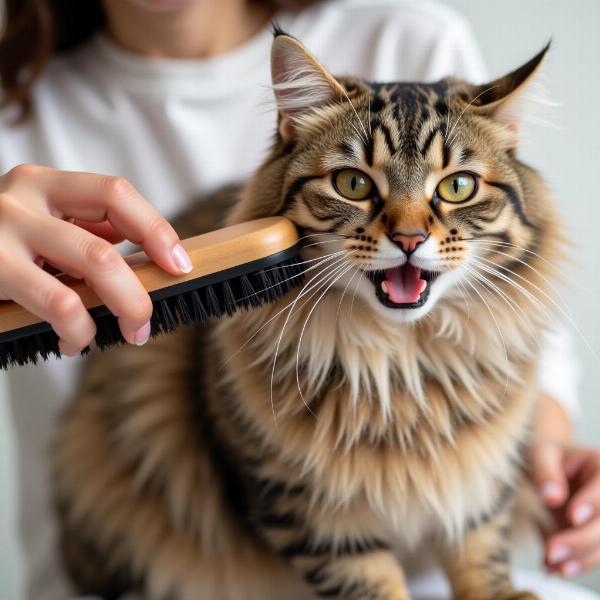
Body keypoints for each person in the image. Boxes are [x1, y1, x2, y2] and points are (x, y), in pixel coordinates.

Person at [0, 1, 598, 599]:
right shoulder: (14, 108)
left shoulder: (410, 36)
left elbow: (541, 373)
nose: (410, 230)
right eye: (355, 182)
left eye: (457, 187)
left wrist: (549, 466)